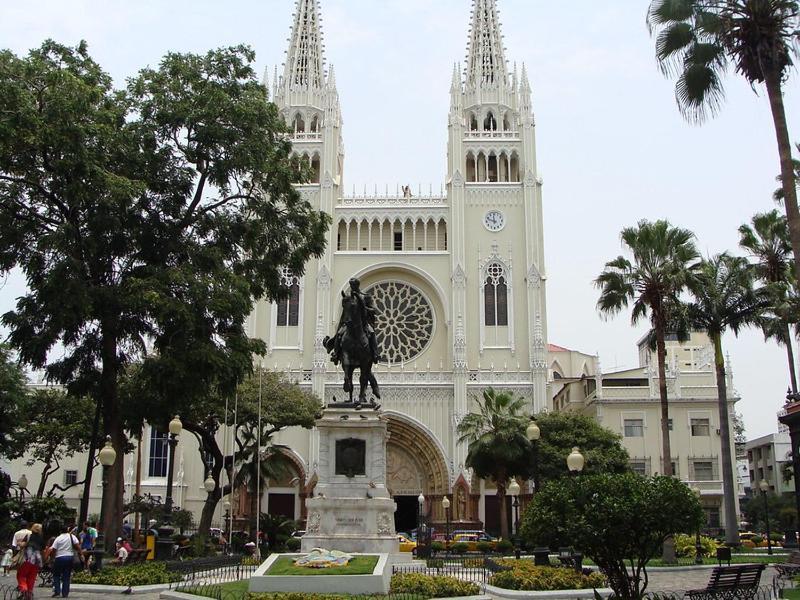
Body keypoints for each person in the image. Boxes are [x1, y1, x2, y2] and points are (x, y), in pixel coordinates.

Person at [50, 523, 81, 598]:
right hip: (69, 557)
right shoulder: (72, 536)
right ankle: (65, 593)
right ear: (67, 530)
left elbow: (54, 549)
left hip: (59, 557)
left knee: (56, 575)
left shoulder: (58, 538)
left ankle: (57, 591)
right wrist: (81, 554)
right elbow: (77, 546)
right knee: (66, 576)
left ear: (60, 531)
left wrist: (52, 558)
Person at [16, 522, 43, 600]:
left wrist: (19, 543)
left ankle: (24, 589)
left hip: (27, 559)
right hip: (37, 561)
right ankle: (29, 594)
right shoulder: (41, 538)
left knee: (21, 575)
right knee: (31, 578)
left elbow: (22, 545)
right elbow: (43, 550)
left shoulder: (29, 536)